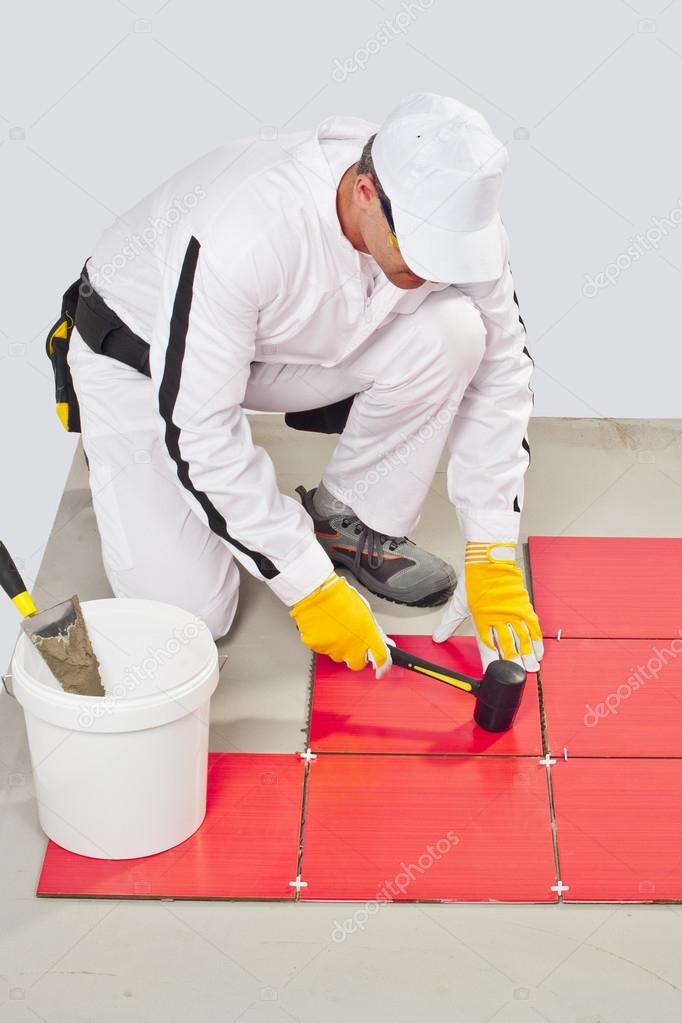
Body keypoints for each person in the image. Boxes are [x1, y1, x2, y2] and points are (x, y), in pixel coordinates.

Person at [55, 92, 543, 679]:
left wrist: (490, 548)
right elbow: (201, 430)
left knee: (459, 331)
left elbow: (502, 369)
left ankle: (344, 521)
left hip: (275, 347)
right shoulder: (245, 228)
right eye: (421, 252)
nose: (436, 272)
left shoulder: (459, 222)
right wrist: (307, 587)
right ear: (365, 191)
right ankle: (125, 461)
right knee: (191, 616)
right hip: (142, 361)